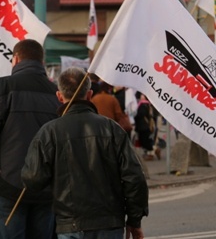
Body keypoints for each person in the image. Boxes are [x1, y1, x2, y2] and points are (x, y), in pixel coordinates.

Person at [22, 67, 148, 239]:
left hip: (70, 224)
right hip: (108, 223)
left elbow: (33, 179)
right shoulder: (111, 129)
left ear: (59, 97)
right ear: (89, 95)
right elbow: (134, 178)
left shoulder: (49, 132)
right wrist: (134, 221)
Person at [0, 38, 60, 239]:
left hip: (7, 184)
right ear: (42, 61)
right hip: (46, 186)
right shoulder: (57, 94)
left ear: (16, 59)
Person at [134, 92, 156, 161]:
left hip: (143, 125)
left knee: (145, 140)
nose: (141, 96)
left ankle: (150, 154)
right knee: (146, 139)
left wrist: (135, 115)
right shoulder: (147, 104)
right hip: (145, 125)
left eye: (143, 95)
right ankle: (152, 151)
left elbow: (141, 114)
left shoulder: (143, 104)